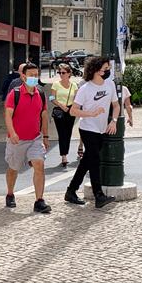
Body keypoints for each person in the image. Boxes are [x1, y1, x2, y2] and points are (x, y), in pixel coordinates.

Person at [65, 57, 119, 209]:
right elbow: (73, 111)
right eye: (105, 69)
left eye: (108, 69)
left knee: (87, 161)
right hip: (88, 128)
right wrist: (91, 113)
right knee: (94, 161)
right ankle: (99, 196)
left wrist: (113, 121)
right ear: (96, 70)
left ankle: (71, 191)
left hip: (102, 129)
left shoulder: (110, 84)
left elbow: (116, 105)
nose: (107, 72)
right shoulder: (85, 89)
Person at [4, 63, 51, 213]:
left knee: (39, 165)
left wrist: (45, 136)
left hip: (35, 138)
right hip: (17, 139)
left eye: (36, 75)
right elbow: (8, 115)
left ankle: (39, 201)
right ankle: (10, 194)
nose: (34, 78)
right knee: (13, 168)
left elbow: (44, 116)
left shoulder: (41, 94)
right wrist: (12, 133)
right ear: (23, 76)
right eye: (31, 75)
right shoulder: (15, 94)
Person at [50, 63, 78, 166]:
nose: (61, 74)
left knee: (68, 133)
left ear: (69, 73)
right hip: (60, 110)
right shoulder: (56, 84)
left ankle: (65, 152)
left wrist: (74, 107)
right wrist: (61, 106)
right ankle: (64, 156)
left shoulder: (74, 85)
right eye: (59, 72)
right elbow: (51, 98)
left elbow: (76, 99)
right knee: (62, 133)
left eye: (63, 72)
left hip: (71, 110)